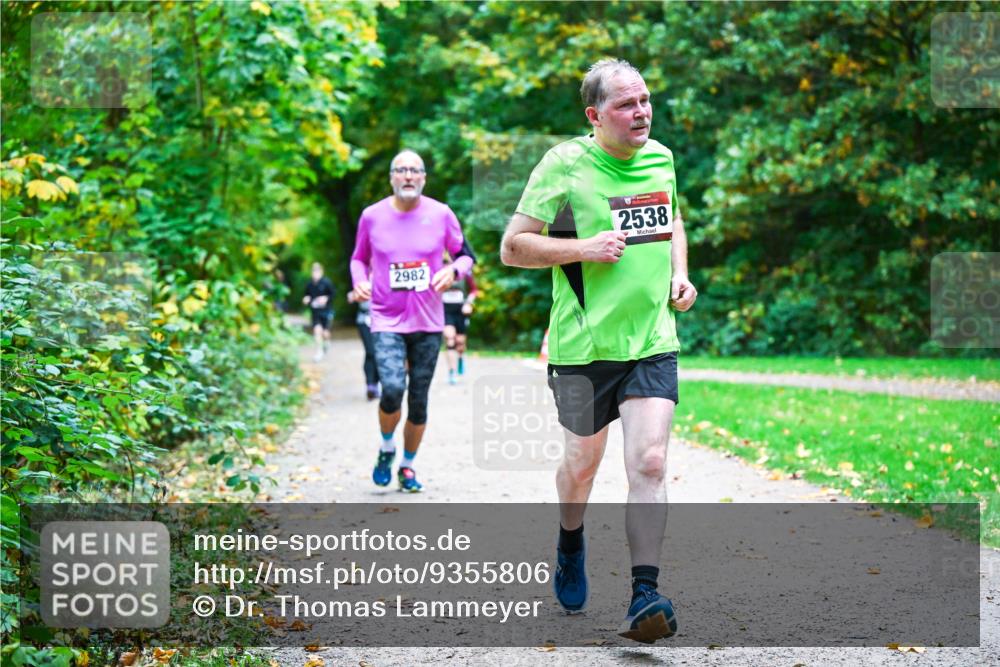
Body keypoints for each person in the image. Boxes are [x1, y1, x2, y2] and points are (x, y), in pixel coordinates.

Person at [500, 59, 697, 644]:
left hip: (651, 342)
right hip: (583, 348)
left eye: (645, 101)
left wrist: (679, 276)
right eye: (625, 105)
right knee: (582, 466)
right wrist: (583, 247)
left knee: (651, 463)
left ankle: (644, 593)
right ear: (595, 115)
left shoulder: (659, 157)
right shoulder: (564, 165)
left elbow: (673, 219)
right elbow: (513, 247)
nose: (641, 113)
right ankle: (569, 539)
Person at [350, 149, 474, 493]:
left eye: (414, 170)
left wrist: (452, 270)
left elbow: (466, 257)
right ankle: (387, 446)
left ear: (423, 177)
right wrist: (359, 280)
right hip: (386, 319)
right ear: (391, 177)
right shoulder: (372, 216)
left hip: (428, 322)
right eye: (401, 170)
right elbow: (359, 259)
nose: (408, 176)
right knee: (391, 389)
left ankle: (406, 466)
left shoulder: (441, 214)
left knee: (418, 401)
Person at [442, 242, 478, 384]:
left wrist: (469, 303)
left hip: (460, 309)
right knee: (450, 339)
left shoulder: (464, 271)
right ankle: (452, 372)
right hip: (445, 309)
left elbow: (474, 290)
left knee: (460, 343)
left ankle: (461, 357)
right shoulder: (438, 268)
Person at [347, 289, 380, 400]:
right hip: (364, 320)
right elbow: (352, 294)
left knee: (380, 352)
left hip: (383, 320)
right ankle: (370, 384)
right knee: (370, 352)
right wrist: (353, 295)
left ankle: (377, 383)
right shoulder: (362, 275)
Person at [302, 262, 335, 362]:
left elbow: (333, 294)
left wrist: (326, 298)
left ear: (321, 271)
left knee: (325, 332)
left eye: (317, 271)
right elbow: (306, 296)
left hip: (326, 311)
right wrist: (306, 300)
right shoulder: (309, 284)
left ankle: (327, 342)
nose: (315, 273)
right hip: (315, 312)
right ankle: (319, 351)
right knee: (317, 331)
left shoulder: (326, 282)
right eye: (313, 271)